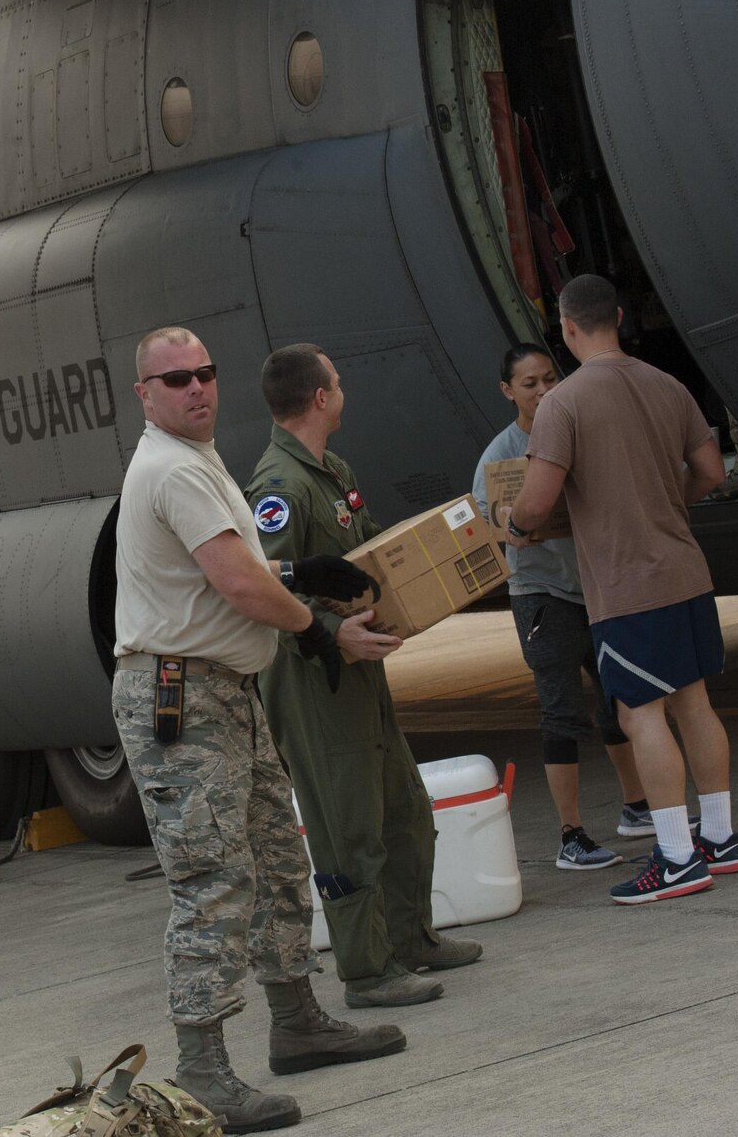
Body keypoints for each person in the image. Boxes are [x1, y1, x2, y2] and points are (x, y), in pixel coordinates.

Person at [114, 326, 404, 1136]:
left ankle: (296, 1021)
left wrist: (299, 573)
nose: (196, 388)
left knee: (277, 857)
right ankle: (202, 1072)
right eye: (175, 380)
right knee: (211, 882)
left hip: (224, 691)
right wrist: (317, 626)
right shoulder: (171, 467)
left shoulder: (200, 463)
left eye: (205, 373)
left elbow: (241, 566)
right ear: (145, 394)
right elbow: (238, 583)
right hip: (180, 698)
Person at [497, 274, 738, 905]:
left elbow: (538, 499)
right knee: (694, 705)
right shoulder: (668, 384)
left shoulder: (564, 403)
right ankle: (720, 839)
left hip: (625, 585)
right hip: (686, 571)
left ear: (567, 327)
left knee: (641, 713)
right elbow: (713, 471)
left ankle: (675, 857)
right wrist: (663, 503)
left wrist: (516, 527)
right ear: (617, 316)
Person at [245, 345, 482, 1011]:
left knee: (404, 808)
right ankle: (366, 970)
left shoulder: (332, 470)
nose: (343, 391)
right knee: (347, 824)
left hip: (357, 667)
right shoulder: (279, 489)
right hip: (311, 677)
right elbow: (264, 591)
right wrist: (328, 628)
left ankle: (410, 938)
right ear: (320, 398)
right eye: (338, 384)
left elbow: (372, 548)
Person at [472, 344, 648, 865]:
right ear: (508, 392)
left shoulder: (579, 430)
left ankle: (637, 806)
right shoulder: (501, 454)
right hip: (542, 596)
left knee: (620, 699)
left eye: (551, 378)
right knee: (561, 712)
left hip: (597, 587)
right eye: (530, 383)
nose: (545, 390)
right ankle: (570, 836)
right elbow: (486, 523)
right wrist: (511, 531)